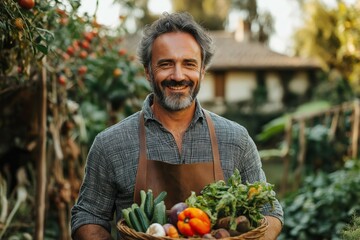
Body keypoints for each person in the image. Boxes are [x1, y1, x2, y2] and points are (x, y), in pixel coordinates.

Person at [71, 12, 283, 240]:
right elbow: (88, 215)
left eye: (189, 64)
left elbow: (270, 213)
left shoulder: (235, 139)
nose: (178, 75)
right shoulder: (110, 144)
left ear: (202, 71)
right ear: (147, 72)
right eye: (165, 64)